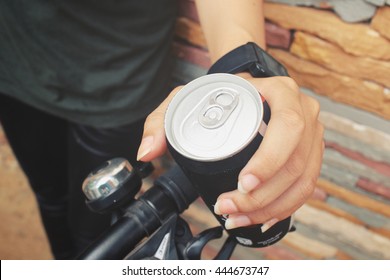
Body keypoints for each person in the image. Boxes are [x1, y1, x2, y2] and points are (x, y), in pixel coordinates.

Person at [0, 0, 324, 259]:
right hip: (13, 70)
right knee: (49, 197)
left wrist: (241, 76)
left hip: (116, 82)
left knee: (98, 231)